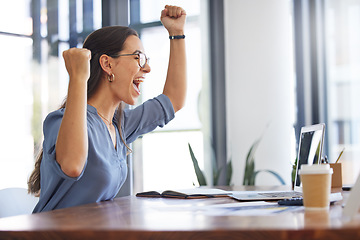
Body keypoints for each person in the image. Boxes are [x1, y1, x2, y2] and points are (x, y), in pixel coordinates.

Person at [28, 5, 187, 213]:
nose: (147, 68)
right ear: (107, 64)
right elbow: (73, 165)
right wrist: (77, 77)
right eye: (138, 57)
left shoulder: (118, 126)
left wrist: (176, 33)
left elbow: (172, 100)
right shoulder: (60, 121)